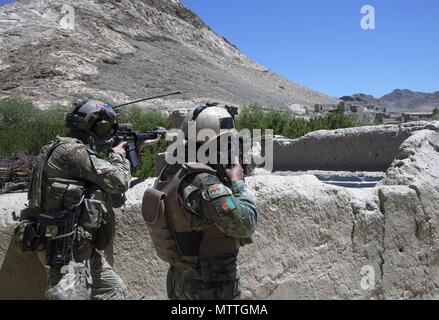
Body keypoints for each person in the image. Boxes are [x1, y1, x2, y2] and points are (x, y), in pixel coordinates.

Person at [15, 97, 160, 300]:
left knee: (113, 291)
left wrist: (136, 147)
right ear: (98, 127)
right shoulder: (73, 152)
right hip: (66, 251)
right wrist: (118, 155)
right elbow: (118, 181)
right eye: (107, 128)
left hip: (78, 246)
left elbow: (100, 175)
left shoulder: (58, 147)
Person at [142, 105, 258, 300]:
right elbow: (245, 225)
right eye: (226, 140)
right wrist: (238, 184)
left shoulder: (174, 169)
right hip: (210, 285)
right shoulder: (204, 182)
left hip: (181, 278)